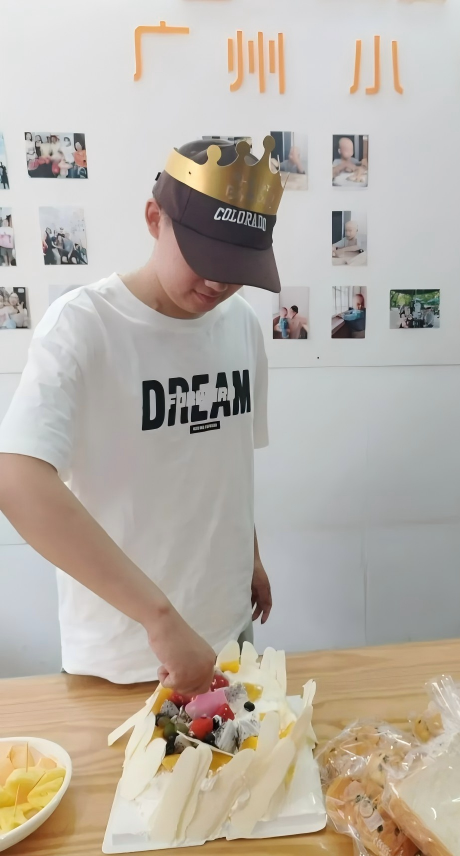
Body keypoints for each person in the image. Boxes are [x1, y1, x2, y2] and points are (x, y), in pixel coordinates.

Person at [0, 136, 284, 695]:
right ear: (155, 218)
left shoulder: (241, 325)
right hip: (129, 653)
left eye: (236, 267)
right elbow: (16, 479)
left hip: (229, 633)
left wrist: (248, 558)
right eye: (206, 259)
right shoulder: (84, 325)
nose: (219, 283)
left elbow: (225, 464)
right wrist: (160, 620)